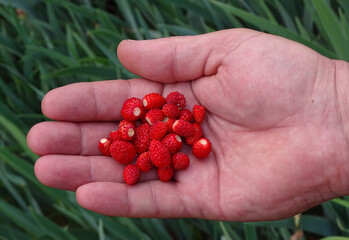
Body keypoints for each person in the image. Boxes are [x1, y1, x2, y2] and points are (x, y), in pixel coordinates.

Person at [27, 28, 349, 221]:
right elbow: (153, 147)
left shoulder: (172, 130)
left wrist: (332, 98)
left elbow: (161, 146)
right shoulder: (155, 136)